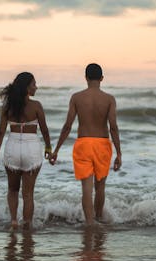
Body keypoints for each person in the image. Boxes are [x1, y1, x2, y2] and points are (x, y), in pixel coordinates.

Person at [49, 63, 121, 225]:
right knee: (100, 187)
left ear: (86, 78)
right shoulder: (109, 99)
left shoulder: (77, 97)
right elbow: (113, 127)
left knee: (86, 189)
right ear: (102, 78)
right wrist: (119, 153)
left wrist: (56, 150)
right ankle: (99, 218)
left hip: (83, 144)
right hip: (102, 144)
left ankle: (89, 223)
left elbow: (68, 126)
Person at [0, 72, 52, 230]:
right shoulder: (36, 106)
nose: (36, 87)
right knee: (28, 194)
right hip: (31, 148)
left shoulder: (8, 106)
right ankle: (27, 225)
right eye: (33, 84)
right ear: (26, 87)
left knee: (12, 189)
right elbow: (44, 131)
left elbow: (0, 132)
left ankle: (13, 221)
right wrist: (48, 148)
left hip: (12, 146)